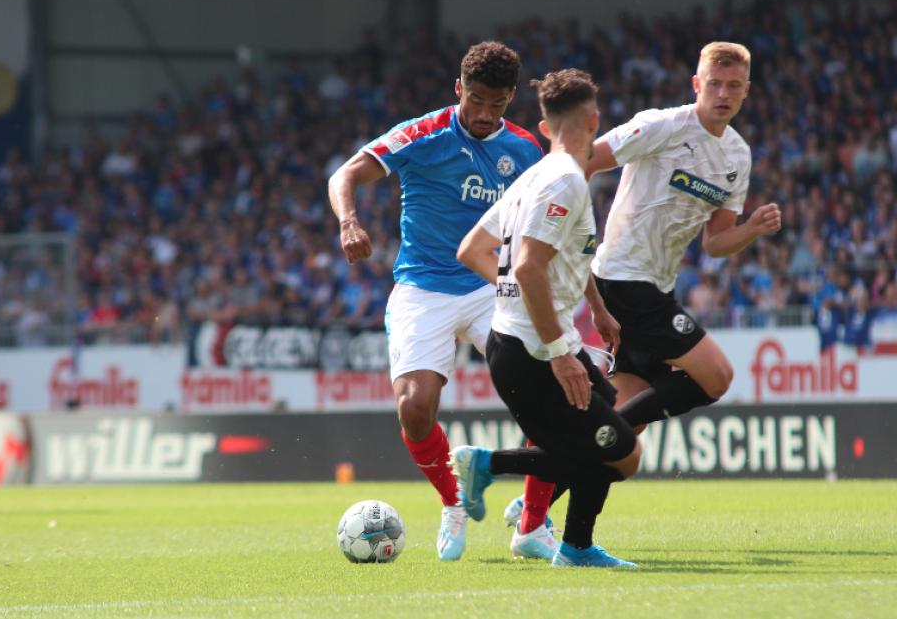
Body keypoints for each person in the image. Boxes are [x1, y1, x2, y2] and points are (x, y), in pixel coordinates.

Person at [328, 41, 556, 561]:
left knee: (548, 400)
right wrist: (349, 220)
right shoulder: (422, 134)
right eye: (475, 100)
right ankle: (453, 504)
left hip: (489, 285)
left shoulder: (524, 150)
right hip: (423, 287)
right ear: (458, 89)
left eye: (496, 104)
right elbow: (344, 175)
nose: (483, 114)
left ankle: (533, 522)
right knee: (414, 410)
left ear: (511, 99)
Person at [454, 69, 641, 567]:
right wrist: (561, 352)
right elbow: (529, 264)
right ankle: (485, 466)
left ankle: (576, 545)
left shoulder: (533, 176)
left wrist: (592, 307)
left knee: (612, 425)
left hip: (517, 340)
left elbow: (472, 250)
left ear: (542, 126)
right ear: (595, 121)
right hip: (533, 352)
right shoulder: (565, 180)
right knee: (620, 453)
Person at [585, 42, 782, 430]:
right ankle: (607, 433)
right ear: (696, 84)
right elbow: (586, 159)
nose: (723, 94)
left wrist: (752, 229)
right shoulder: (662, 126)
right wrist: (576, 234)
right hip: (623, 279)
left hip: (656, 288)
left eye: (733, 85)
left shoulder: (737, 156)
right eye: (715, 84)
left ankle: (519, 473)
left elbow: (715, 242)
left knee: (618, 441)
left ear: (747, 90)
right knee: (717, 376)